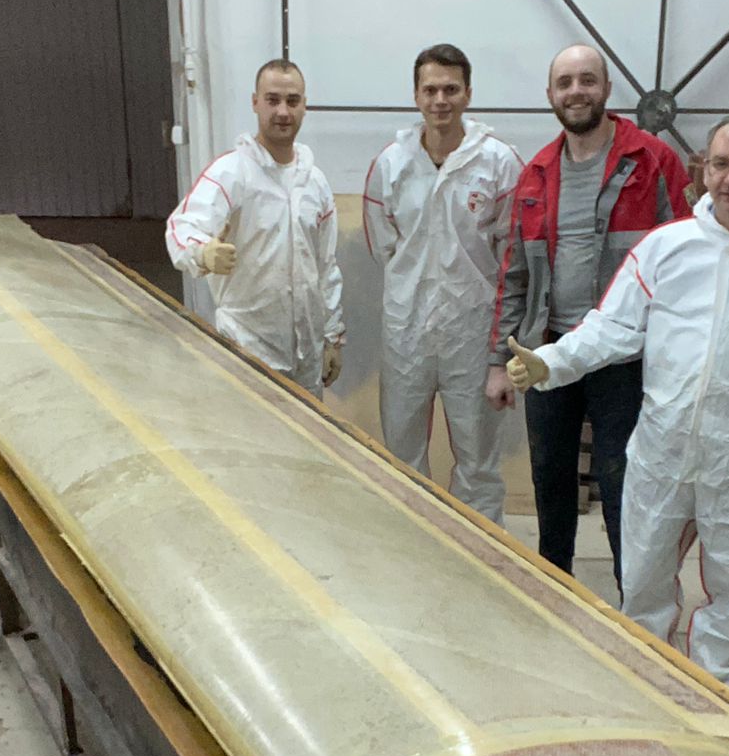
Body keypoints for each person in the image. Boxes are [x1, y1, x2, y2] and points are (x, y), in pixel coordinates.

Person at [505, 112, 729, 695]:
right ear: (703, 170)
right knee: (643, 573)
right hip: (662, 445)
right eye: (721, 164)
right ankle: (646, 680)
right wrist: (551, 362)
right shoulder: (667, 246)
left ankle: (722, 692)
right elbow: (612, 327)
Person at [488, 43, 691, 583]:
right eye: (565, 83)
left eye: (586, 80)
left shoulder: (653, 161)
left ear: (606, 89)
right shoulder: (536, 173)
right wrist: (497, 360)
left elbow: (689, 261)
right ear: (550, 95)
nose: (576, 91)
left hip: (625, 358)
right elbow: (514, 273)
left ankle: (635, 600)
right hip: (548, 352)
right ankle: (555, 587)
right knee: (549, 477)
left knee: (626, 481)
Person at [363, 44, 521, 521]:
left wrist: (500, 345)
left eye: (451, 89)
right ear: (415, 95)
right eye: (430, 90)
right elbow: (384, 247)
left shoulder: (498, 163)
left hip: (474, 333)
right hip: (406, 331)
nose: (440, 100)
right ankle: (414, 543)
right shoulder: (391, 164)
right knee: (402, 451)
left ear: (468, 94)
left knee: (478, 458)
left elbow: (511, 254)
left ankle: (480, 549)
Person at [165, 58, 344, 396]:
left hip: (306, 355)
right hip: (246, 350)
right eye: (272, 100)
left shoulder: (315, 183)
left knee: (304, 429)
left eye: (292, 101)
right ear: (255, 102)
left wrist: (332, 337)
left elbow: (325, 266)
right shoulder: (231, 172)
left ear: (304, 106)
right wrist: (202, 253)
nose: (283, 112)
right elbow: (181, 226)